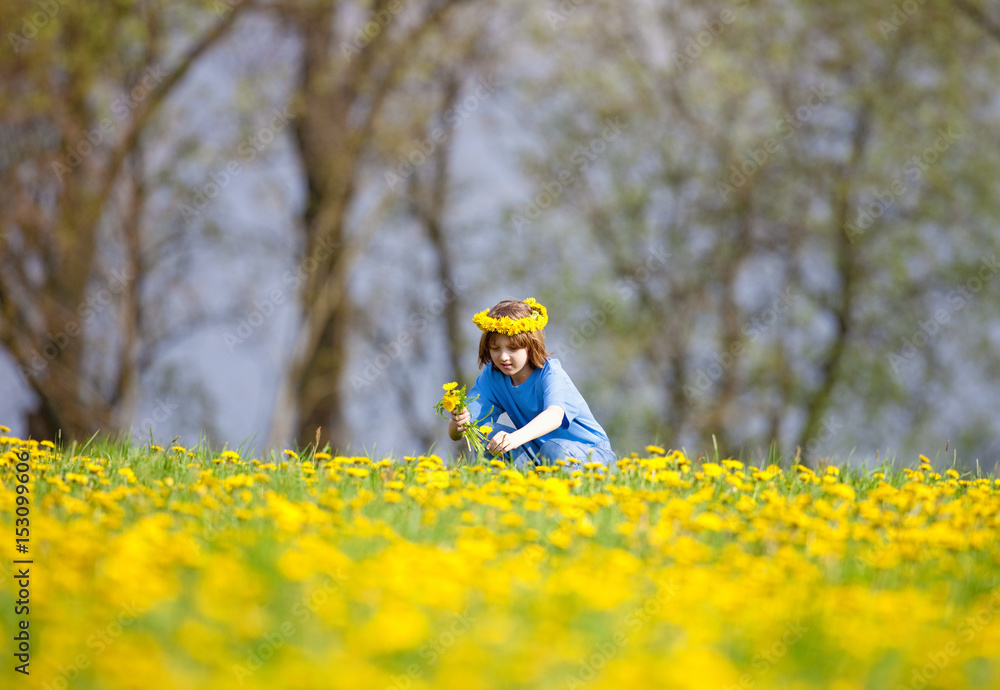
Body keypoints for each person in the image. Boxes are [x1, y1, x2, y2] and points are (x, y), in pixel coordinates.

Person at [448, 298, 616, 469]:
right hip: (539, 453)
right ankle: (499, 489)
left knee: (552, 449)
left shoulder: (550, 373)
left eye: (512, 348)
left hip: (592, 455)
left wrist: (514, 438)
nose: (503, 357)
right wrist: (457, 422)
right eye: (495, 348)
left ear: (530, 345)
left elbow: (555, 416)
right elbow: (462, 432)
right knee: (484, 435)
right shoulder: (492, 377)